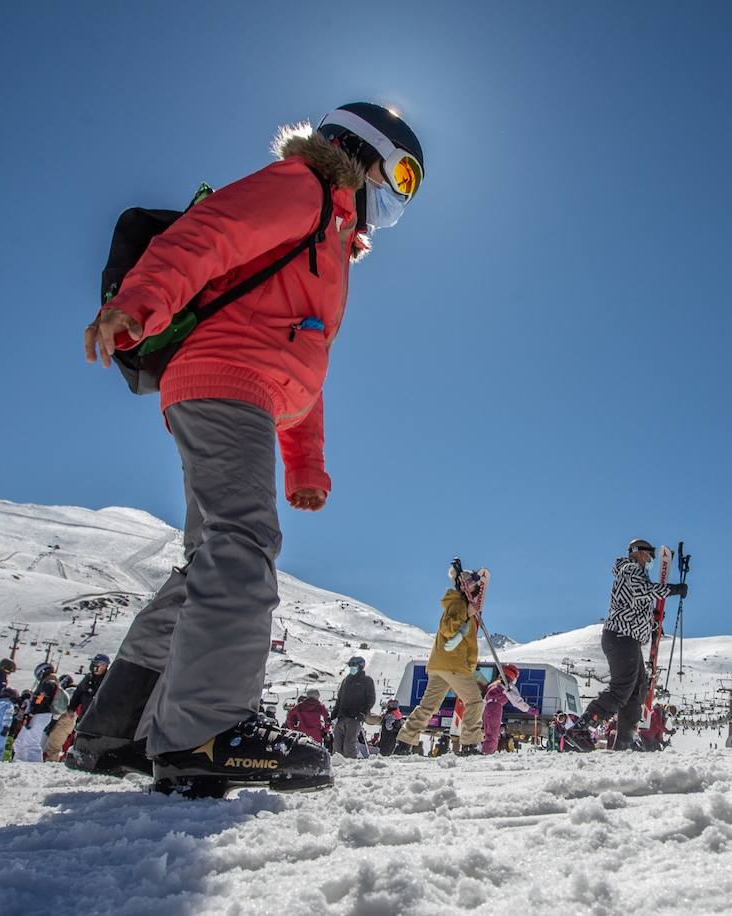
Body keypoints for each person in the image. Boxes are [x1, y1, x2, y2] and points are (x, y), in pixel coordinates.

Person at [71, 101, 425, 796]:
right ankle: (204, 732)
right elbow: (209, 234)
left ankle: (121, 730)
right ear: (360, 150)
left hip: (244, 392)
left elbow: (301, 359)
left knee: (210, 559)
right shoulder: (305, 189)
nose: (397, 197)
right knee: (240, 542)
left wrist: (307, 464)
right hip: (222, 379)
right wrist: (137, 303)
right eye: (402, 175)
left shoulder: (331, 245)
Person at [563, 539, 688, 752]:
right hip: (621, 637)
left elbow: (637, 600)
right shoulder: (631, 569)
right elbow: (644, 591)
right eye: (649, 555)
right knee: (622, 688)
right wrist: (673, 589)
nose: (651, 560)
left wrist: (652, 620)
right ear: (638, 552)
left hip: (629, 639)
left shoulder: (634, 573)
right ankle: (581, 728)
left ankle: (626, 739)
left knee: (637, 690)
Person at [393, 567, 486, 757]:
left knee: (429, 705)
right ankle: (469, 744)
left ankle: (404, 741)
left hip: (441, 664)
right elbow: (448, 630)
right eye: (473, 581)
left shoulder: (458, 602)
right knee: (474, 701)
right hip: (453, 663)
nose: (476, 583)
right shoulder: (459, 603)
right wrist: (467, 613)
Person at [15, 664, 62, 763]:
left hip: (41, 714)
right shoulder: (49, 682)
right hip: (39, 714)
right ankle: (19, 760)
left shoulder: (49, 683)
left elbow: (41, 698)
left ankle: (33, 763)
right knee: (22, 740)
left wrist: (32, 712)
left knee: (32, 741)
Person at [330, 657, 376, 758]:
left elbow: (371, 699)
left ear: (360, 667)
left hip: (355, 718)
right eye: (350, 666)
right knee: (337, 745)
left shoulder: (366, 681)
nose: (351, 668)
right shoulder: (346, 680)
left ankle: (349, 766)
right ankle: (337, 764)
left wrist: (363, 713)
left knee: (348, 745)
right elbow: (339, 698)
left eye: (353, 666)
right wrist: (334, 714)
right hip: (342, 717)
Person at [481, 664, 525, 755]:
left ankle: (484, 750)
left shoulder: (495, 684)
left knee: (488, 732)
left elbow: (485, 698)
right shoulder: (508, 686)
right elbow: (516, 701)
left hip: (487, 707)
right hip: (495, 707)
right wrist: (528, 709)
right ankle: (488, 752)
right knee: (493, 733)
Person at [44, 674, 77, 762]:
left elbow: (64, 707)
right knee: (54, 743)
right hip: (67, 721)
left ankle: (52, 763)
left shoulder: (71, 691)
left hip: (65, 719)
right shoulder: (72, 690)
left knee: (54, 745)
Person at [68, 654, 109, 722]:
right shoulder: (88, 678)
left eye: (102, 665)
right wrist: (71, 708)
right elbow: (78, 693)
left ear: (106, 666)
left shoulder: (108, 680)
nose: (98, 667)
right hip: (83, 716)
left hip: (99, 719)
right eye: (96, 663)